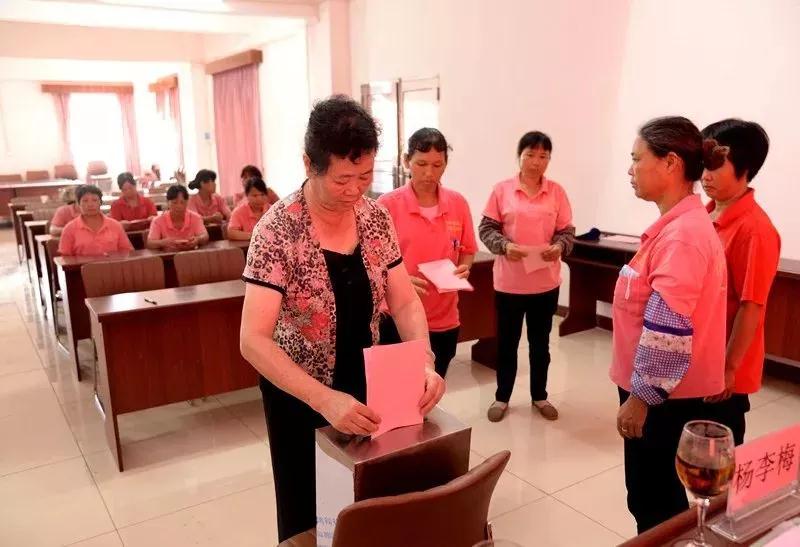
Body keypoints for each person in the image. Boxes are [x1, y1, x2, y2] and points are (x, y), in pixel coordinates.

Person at [239, 95, 445, 542]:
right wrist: (324, 400)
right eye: (342, 179)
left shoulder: (375, 218)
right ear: (309, 164)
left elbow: (404, 302)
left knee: (366, 507)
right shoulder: (277, 231)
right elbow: (253, 340)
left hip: (367, 385)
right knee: (308, 516)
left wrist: (424, 362)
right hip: (298, 395)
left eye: (365, 177)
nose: (355, 191)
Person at [611, 116, 727, 533]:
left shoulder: (682, 236)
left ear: (671, 163)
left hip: (663, 398)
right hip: (664, 392)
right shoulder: (677, 227)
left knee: (652, 500)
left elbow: (667, 330)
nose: (630, 169)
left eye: (636, 158)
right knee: (653, 496)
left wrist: (641, 398)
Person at [479, 131, 575, 423]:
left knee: (540, 344)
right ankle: (502, 397)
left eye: (543, 156)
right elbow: (486, 229)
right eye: (530, 155)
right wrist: (505, 246)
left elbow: (567, 232)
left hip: (545, 284)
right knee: (507, 344)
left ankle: (540, 396)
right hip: (509, 283)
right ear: (519, 156)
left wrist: (559, 247)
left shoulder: (556, 192)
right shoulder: (502, 190)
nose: (536, 162)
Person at [700, 119, 781, 446]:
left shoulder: (755, 230)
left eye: (716, 166)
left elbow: (751, 307)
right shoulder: (704, 215)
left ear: (745, 169)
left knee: (716, 455)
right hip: (699, 357)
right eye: (704, 164)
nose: (705, 175)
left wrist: (728, 367)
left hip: (721, 368)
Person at [377, 128, 477, 377]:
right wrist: (397, 281)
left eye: (437, 165)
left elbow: (467, 249)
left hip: (443, 318)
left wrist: (464, 268)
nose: (429, 173)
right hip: (396, 318)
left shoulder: (457, 203)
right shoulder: (386, 206)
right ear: (406, 161)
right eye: (421, 164)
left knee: (432, 387)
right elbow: (370, 262)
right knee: (396, 389)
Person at [58, 184, 133, 256]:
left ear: (100, 202)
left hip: (113, 264)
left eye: (94, 200)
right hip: (81, 265)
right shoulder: (69, 229)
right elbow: (65, 258)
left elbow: (127, 251)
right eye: (85, 201)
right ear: (78, 204)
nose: (90, 204)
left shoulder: (115, 225)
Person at [146, 184, 209, 251]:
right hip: (167, 255)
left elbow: (205, 236)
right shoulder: (158, 221)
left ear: (187, 202)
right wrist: (163, 243)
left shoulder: (195, 217)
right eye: (174, 202)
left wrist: (198, 240)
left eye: (182, 202)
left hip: (191, 254)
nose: (179, 206)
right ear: (167, 203)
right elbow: (150, 243)